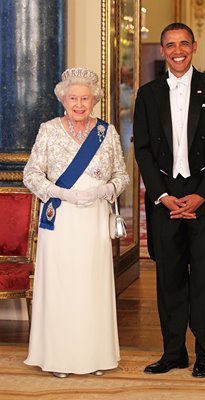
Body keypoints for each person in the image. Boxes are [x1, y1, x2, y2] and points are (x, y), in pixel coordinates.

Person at [133, 23, 205, 378]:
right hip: (164, 197)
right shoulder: (147, 94)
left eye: (184, 44)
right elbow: (142, 149)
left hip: (202, 196)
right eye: (170, 45)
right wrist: (162, 195)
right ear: (162, 49)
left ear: (193, 46)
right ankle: (173, 352)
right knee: (169, 279)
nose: (178, 50)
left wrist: (201, 195)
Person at [23, 67, 129, 378]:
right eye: (73, 98)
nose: (79, 104)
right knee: (62, 287)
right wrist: (56, 192)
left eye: (85, 98)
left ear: (94, 100)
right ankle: (60, 357)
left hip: (94, 218)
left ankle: (95, 356)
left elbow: (121, 175)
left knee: (91, 286)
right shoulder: (49, 130)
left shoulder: (106, 133)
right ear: (63, 99)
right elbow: (31, 174)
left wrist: (104, 190)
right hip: (61, 219)